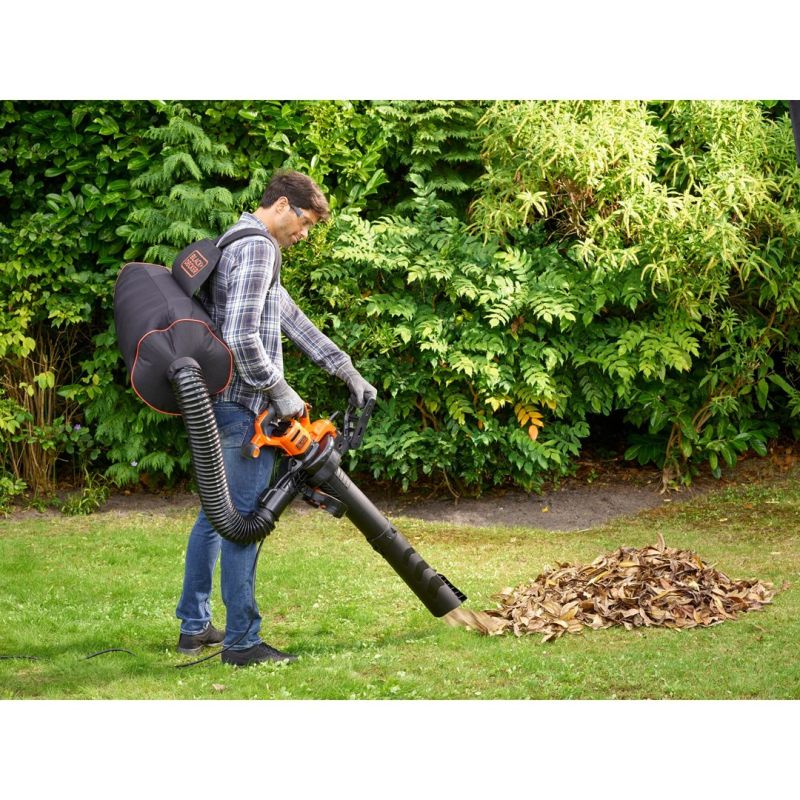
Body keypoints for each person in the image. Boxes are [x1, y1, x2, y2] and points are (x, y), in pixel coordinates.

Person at [175, 170, 377, 667]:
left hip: (225, 404)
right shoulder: (258, 248)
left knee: (216, 515)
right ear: (283, 205)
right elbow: (242, 337)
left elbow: (290, 318)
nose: (304, 234)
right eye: (304, 222)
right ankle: (243, 642)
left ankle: (194, 626)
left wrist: (345, 368)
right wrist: (281, 392)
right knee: (244, 522)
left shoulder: (237, 241)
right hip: (246, 409)